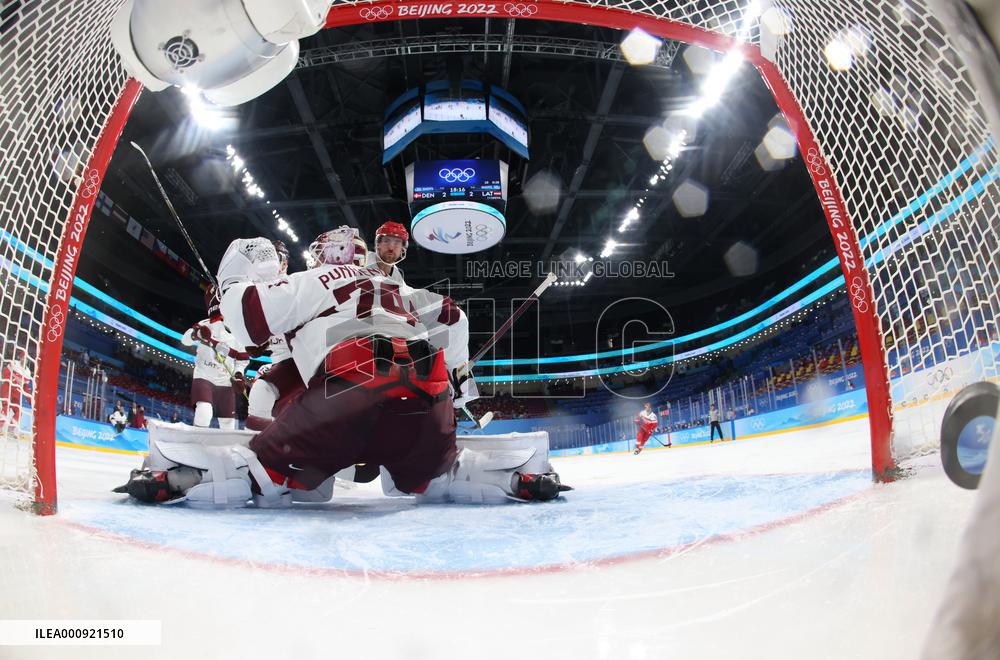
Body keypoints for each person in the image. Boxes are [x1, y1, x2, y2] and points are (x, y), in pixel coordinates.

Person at [116, 235, 568, 507]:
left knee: (263, 473)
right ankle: (513, 477)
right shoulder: (401, 291)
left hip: (348, 391)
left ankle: (180, 477)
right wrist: (458, 382)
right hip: (427, 396)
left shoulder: (317, 280)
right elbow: (453, 316)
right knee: (436, 478)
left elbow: (249, 317)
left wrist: (234, 279)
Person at [180, 287, 251, 430]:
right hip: (204, 376)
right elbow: (184, 340)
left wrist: (238, 376)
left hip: (225, 381)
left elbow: (242, 361)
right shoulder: (207, 324)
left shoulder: (240, 335)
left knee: (228, 425)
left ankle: (225, 450)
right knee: (204, 412)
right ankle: (197, 442)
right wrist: (197, 334)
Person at [1, 347, 30, 434]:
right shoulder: (14, 364)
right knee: (5, 408)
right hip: (7, 390)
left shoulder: (27, 372)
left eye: (26, 358)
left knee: (19, 411)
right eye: (22, 357)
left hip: (16, 395)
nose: (24, 359)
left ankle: (10, 429)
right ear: (20, 358)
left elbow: (26, 389)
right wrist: (12, 379)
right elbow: (5, 373)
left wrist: (30, 400)